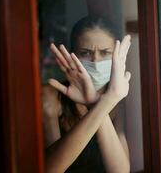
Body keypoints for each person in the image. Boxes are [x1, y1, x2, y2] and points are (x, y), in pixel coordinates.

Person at [42, 15, 131, 173]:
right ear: (72, 55)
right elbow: (50, 169)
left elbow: (120, 171)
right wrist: (104, 103)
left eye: (105, 53)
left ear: (117, 57)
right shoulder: (51, 98)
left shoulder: (116, 100)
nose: (96, 61)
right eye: (85, 53)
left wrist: (97, 103)